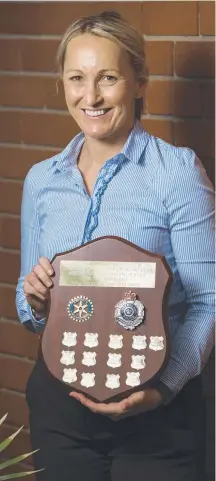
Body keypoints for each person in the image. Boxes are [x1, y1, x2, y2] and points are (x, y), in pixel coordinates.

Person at [16, 11, 214, 481]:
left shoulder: (176, 173)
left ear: (139, 82)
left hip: (156, 417)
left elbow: (209, 301)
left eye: (108, 78)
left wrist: (162, 389)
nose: (91, 97)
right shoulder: (42, 181)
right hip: (59, 410)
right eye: (76, 79)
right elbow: (29, 308)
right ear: (62, 83)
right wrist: (35, 298)